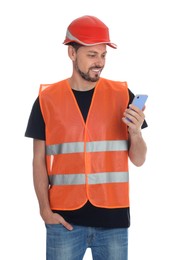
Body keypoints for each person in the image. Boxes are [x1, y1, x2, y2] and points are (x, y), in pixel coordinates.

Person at [25, 15, 148, 260]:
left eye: (103, 55)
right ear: (72, 53)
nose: (99, 63)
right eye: (92, 55)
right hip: (64, 220)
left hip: (113, 221)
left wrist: (135, 133)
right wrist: (44, 211)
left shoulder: (123, 95)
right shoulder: (47, 100)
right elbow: (38, 160)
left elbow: (139, 159)